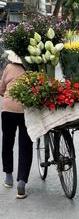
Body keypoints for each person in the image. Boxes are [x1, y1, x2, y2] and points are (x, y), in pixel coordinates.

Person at [0, 50, 32, 199]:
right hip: (26, 111)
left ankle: (8, 177)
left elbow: (1, 89)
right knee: (25, 146)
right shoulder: (31, 69)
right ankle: (22, 182)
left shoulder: (8, 68)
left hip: (8, 110)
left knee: (8, 143)